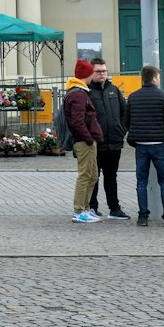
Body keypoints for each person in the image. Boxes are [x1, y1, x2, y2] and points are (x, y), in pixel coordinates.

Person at [127, 64, 164, 227]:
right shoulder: (163, 96)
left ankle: (143, 216)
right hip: (159, 144)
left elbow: (127, 121)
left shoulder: (133, 97)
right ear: (155, 78)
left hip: (140, 145)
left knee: (141, 181)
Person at [84, 57, 128, 219]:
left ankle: (114, 208)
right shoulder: (87, 92)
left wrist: (121, 130)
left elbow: (124, 113)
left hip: (114, 141)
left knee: (111, 177)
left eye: (104, 71)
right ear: (92, 73)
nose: (102, 74)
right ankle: (92, 207)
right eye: (98, 71)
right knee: (93, 177)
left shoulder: (114, 90)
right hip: (96, 143)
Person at [63, 59, 105, 223]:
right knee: (85, 175)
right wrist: (89, 139)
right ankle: (79, 211)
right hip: (84, 141)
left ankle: (85, 209)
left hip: (86, 140)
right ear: (87, 75)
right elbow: (77, 121)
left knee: (92, 175)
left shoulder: (79, 92)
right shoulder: (78, 94)